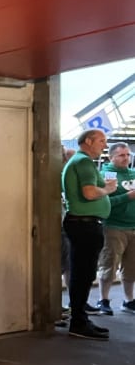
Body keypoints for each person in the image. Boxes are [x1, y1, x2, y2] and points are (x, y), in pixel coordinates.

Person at [62, 128, 116, 340]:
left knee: (82, 273)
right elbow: (90, 192)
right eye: (102, 141)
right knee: (83, 273)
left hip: (83, 224)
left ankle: (80, 318)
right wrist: (108, 190)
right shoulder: (83, 162)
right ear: (88, 141)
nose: (105, 145)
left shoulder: (79, 161)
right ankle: (78, 321)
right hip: (85, 225)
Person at [95, 142, 135, 314]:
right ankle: (103, 299)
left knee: (131, 266)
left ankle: (129, 300)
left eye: (127, 155)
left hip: (133, 225)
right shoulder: (107, 174)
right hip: (114, 226)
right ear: (111, 157)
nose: (125, 158)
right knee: (109, 263)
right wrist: (127, 197)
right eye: (121, 155)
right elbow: (104, 202)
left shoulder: (133, 173)